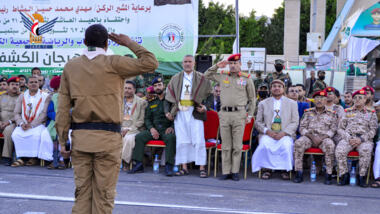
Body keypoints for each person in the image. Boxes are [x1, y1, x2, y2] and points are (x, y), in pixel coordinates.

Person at [56, 24, 158, 214]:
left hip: (81, 138)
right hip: (108, 140)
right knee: (104, 196)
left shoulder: (71, 67)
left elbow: (62, 108)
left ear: (85, 42)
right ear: (106, 43)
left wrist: (62, 140)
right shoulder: (114, 63)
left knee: (82, 194)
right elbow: (150, 62)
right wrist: (128, 43)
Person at [204, 53, 256, 181]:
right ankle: (226, 171)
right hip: (224, 114)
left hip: (239, 114)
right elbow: (206, 75)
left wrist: (250, 114)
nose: (233, 66)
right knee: (226, 145)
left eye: (235, 63)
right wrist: (217, 65)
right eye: (231, 63)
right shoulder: (223, 76)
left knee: (237, 145)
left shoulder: (246, 78)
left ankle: (235, 171)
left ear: (240, 64)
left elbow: (252, 99)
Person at [166, 55, 212, 178]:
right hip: (180, 111)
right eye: (185, 62)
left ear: (194, 63)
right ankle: (184, 167)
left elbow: (210, 95)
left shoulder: (202, 78)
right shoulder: (175, 78)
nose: (187, 64)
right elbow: (168, 98)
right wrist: (168, 112)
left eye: (189, 62)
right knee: (182, 140)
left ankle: (202, 167)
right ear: (182, 63)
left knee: (198, 139)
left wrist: (205, 107)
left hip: (195, 111)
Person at [251, 79, 299, 180]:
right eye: (274, 86)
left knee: (286, 146)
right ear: (270, 89)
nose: (277, 88)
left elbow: (295, 122)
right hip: (268, 133)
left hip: (285, 133)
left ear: (283, 89)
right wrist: (267, 131)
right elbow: (258, 122)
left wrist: (284, 133)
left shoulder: (292, 103)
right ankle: (266, 169)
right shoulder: (263, 103)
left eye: (279, 86)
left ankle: (285, 170)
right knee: (265, 145)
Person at [129, 78, 176, 176]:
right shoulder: (151, 101)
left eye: (159, 85)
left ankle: (168, 166)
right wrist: (151, 128)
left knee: (171, 138)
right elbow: (147, 118)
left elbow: (177, 116)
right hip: (154, 129)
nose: (157, 87)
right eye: (155, 86)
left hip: (166, 129)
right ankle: (138, 164)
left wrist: (172, 127)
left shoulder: (170, 100)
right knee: (139, 137)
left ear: (164, 86)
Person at [293, 90, 338, 184]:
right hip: (309, 137)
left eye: (322, 98)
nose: (319, 101)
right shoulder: (308, 112)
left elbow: (333, 130)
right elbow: (302, 128)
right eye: (317, 98)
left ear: (326, 100)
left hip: (324, 138)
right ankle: (298, 172)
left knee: (330, 145)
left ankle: (328, 174)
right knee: (298, 143)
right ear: (313, 100)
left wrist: (322, 138)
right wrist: (311, 136)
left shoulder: (332, 114)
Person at [335, 89, 378, 187]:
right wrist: (349, 138)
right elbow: (340, 129)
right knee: (340, 150)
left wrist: (361, 139)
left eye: (360, 98)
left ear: (365, 100)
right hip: (349, 138)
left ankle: (361, 176)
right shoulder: (347, 112)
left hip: (364, 140)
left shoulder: (371, 113)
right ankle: (344, 175)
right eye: (355, 98)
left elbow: (373, 130)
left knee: (366, 150)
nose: (357, 99)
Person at [11, 76, 53, 166]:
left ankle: (34, 158)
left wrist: (32, 125)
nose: (33, 84)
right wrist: (21, 123)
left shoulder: (45, 96)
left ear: (39, 84)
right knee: (16, 134)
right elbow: (16, 113)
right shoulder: (22, 96)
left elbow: (44, 113)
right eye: (31, 82)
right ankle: (21, 158)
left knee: (36, 135)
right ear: (27, 84)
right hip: (24, 123)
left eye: (36, 82)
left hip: (38, 124)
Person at [121, 80, 147, 169]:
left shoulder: (141, 102)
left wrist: (128, 129)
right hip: (120, 127)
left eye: (129, 88)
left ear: (134, 90)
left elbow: (141, 120)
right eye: (125, 88)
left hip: (135, 128)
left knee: (129, 138)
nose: (127, 90)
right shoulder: (119, 101)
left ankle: (125, 161)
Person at [45, 76, 65, 169]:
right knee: (54, 136)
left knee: (66, 137)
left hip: (67, 122)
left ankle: (62, 160)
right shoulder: (52, 97)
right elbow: (49, 112)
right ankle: (54, 160)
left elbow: (72, 110)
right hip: (54, 122)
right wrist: (58, 118)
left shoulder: (70, 96)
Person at [0, 77, 20, 166]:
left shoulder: (21, 97)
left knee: (8, 130)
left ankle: (6, 157)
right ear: (7, 86)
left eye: (17, 85)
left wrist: (9, 122)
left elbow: (21, 113)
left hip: (13, 123)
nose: (15, 86)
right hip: (1, 121)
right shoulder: (2, 96)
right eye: (12, 84)